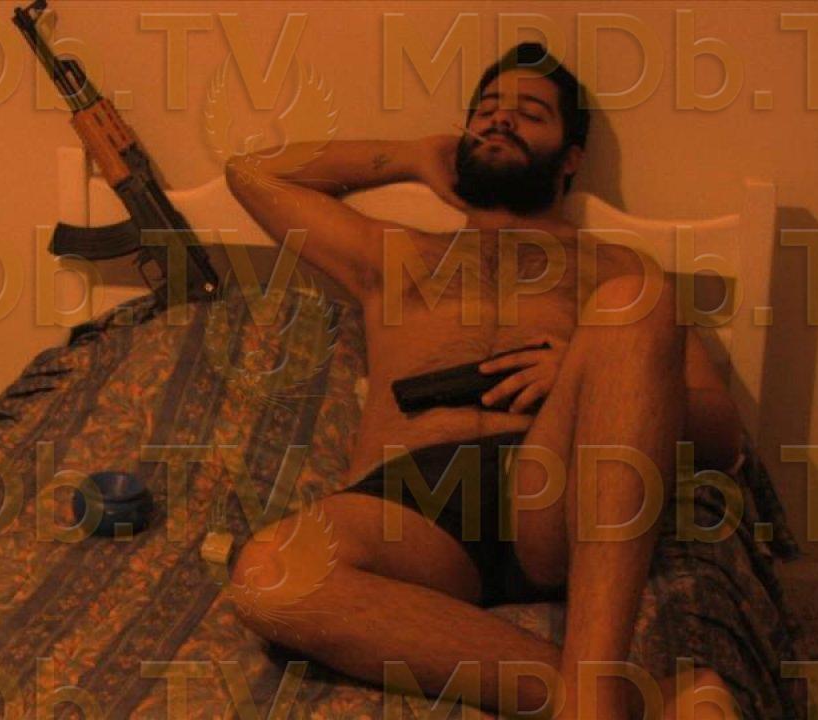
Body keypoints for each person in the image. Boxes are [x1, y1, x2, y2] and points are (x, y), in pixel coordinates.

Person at [224, 42, 744, 719]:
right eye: (487, 109)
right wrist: (410, 156)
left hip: (554, 483)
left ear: (571, 158)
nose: (500, 120)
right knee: (270, 577)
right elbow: (251, 173)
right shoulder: (394, 252)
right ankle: (614, 699)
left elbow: (723, 433)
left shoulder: (616, 265)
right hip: (408, 505)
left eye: (530, 113)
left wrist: (584, 373)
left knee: (635, 306)